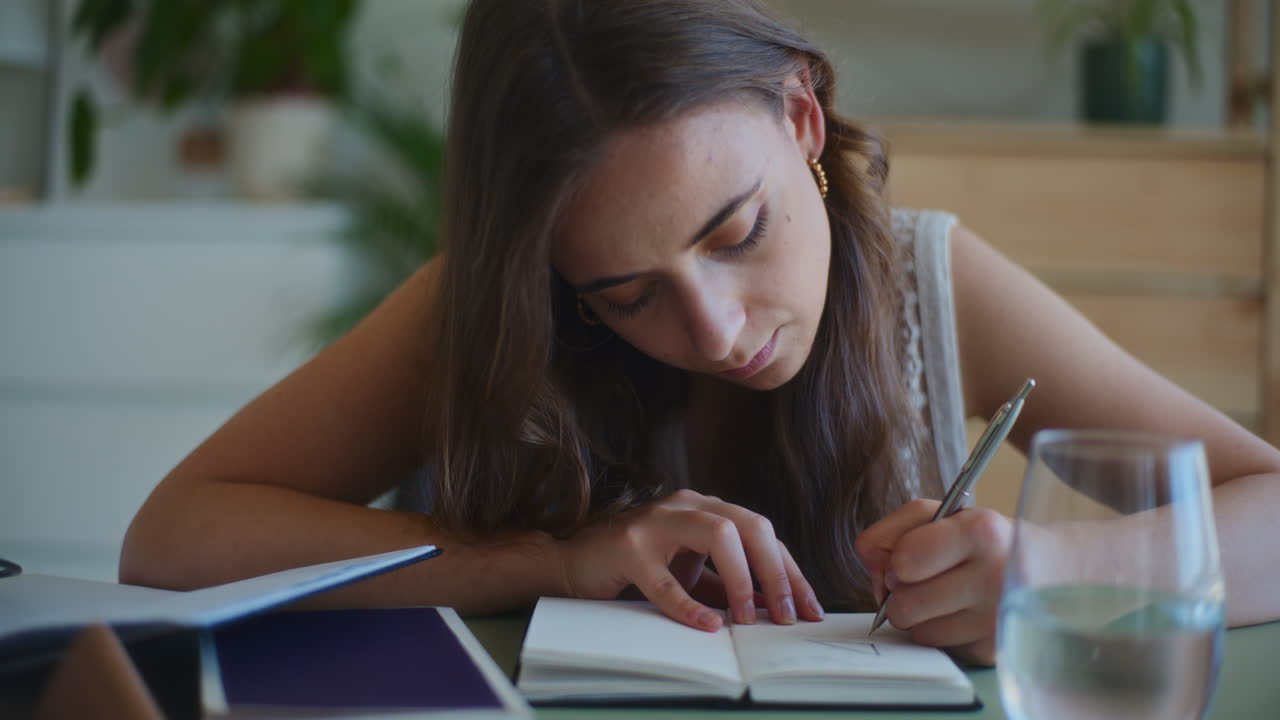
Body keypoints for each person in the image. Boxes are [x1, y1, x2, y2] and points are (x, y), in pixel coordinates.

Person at [120, 0, 1280, 666]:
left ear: (801, 119)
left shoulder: (931, 280)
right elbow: (174, 537)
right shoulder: (490, 304)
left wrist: (1052, 574)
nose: (716, 330)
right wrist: (552, 561)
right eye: (622, 296)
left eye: (735, 233)